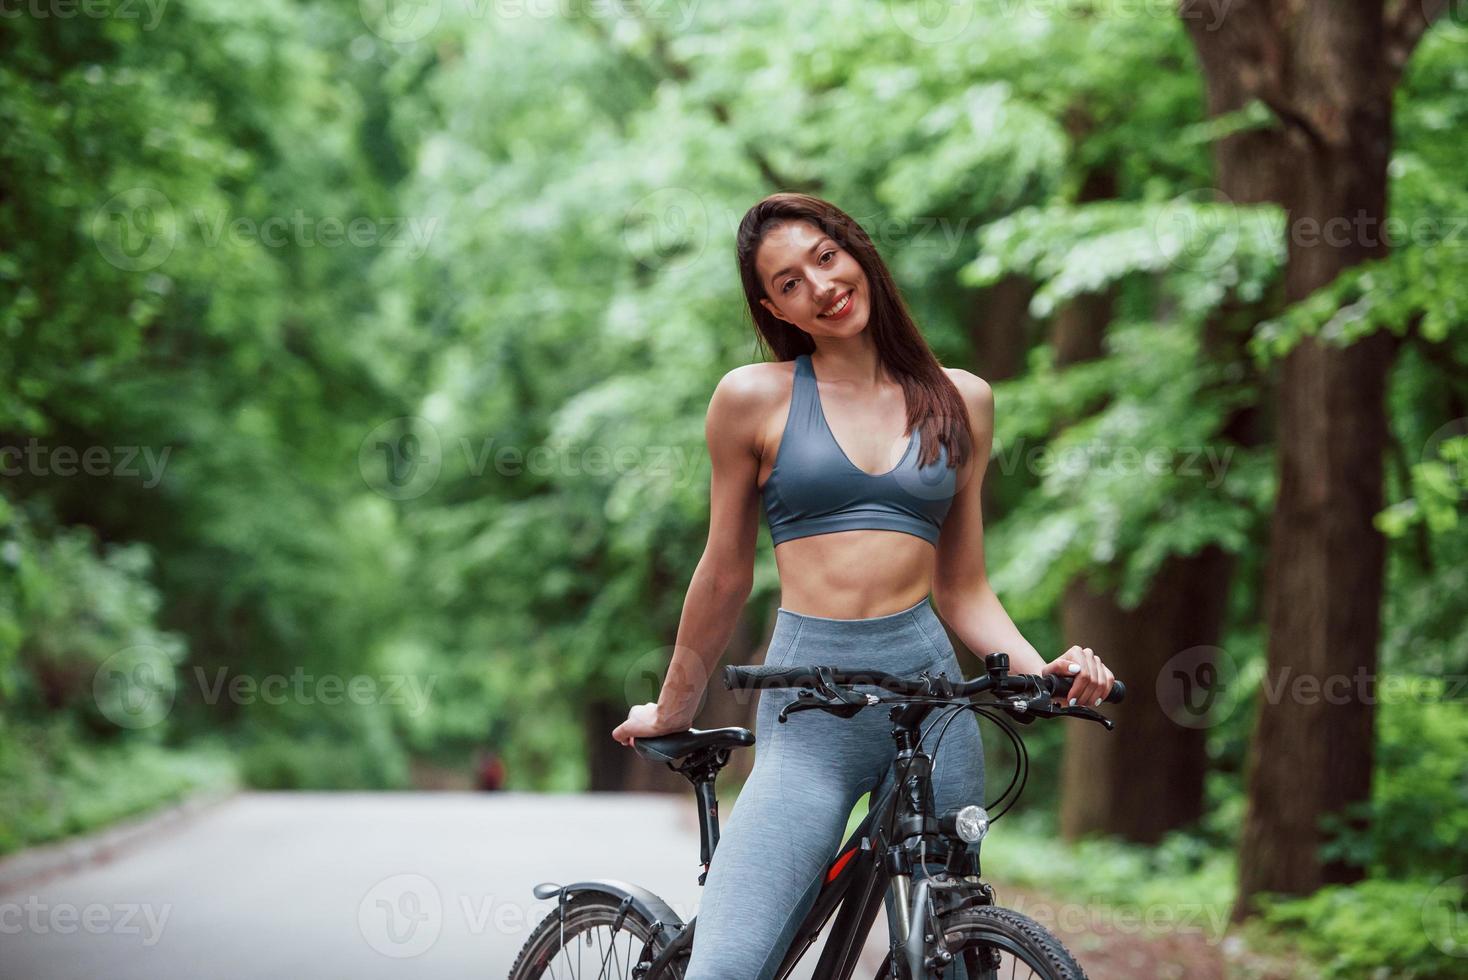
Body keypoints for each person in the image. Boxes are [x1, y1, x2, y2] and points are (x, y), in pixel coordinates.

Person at [611, 192, 1115, 980]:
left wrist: (1040, 669)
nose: (818, 284)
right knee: (729, 967)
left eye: (825, 256)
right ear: (773, 307)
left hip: (936, 711)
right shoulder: (752, 399)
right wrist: (674, 707)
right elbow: (724, 574)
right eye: (787, 282)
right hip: (812, 713)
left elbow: (965, 589)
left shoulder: (964, 400)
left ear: (857, 251)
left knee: (950, 952)